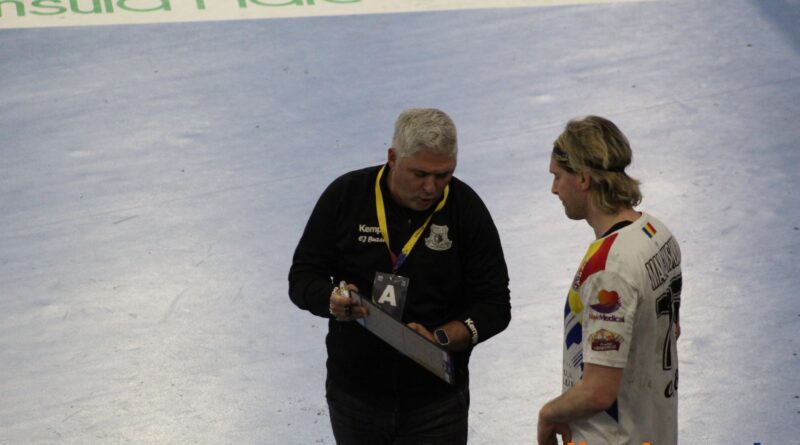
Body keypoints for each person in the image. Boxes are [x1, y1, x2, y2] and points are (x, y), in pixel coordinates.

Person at [288, 108, 511, 444]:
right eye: (420, 174)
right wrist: (330, 300)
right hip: (355, 397)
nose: (431, 188)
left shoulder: (466, 210)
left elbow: (495, 305)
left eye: (443, 175)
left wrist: (441, 338)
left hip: (436, 404)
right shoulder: (346, 196)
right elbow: (303, 276)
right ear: (392, 158)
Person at [537, 116, 683, 445]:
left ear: (583, 179)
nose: (554, 189)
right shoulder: (658, 234)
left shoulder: (609, 269)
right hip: (655, 428)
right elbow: (671, 329)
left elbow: (598, 392)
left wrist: (549, 414)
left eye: (558, 177)